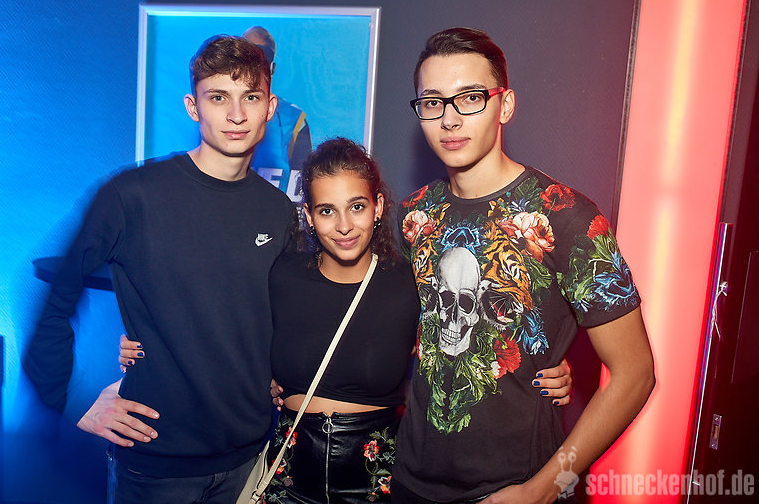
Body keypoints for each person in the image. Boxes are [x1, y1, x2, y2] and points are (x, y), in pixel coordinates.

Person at [119, 139, 573, 503]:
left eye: (356, 206)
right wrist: (131, 362)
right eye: (326, 210)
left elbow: (464, 335)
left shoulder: (411, 282)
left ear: (378, 207)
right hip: (286, 477)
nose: (343, 225)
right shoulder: (281, 276)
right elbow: (216, 326)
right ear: (308, 216)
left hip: (376, 481)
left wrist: (550, 365)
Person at [22, 34, 297, 503]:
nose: (236, 115)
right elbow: (54, 297)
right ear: (193, 107)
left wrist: (278, 372)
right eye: (218, 98)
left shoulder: (278, 211)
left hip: (251, 459)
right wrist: (72, 399)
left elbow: (275, 315)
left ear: (269, 107)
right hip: (156, 464)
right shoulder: (133, 195)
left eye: (250, 97)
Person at [391, 27, 656, 503]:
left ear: (505, 105)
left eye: (470, 97)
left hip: (514, 488)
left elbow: (635, 373)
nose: (449, 118)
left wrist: (543, 489)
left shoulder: (565, 216)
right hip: (412, 483)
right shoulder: (413, 215)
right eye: (433, 102)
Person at [243, 25, 313, 201]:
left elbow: (302, 189)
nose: (255, 63)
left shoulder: (293, 119)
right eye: (247, 53)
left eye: (263, 55)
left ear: (272, 67)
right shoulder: (219, 112)